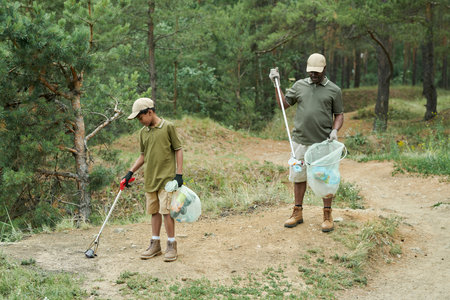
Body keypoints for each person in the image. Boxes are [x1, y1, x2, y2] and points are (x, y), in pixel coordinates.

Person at [269, 53, 344, 232]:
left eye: (317, 72)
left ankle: (327, 215)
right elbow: (283, 105)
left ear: (324, 69)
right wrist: (276, 84)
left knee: (325, 178)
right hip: (300, 142)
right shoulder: (299, 86)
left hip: (322, 143)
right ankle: (297, 212)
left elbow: (339, 114)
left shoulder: (334, 90)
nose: (313, 75)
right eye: (311, 72)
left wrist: (335, 130)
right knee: (298, 177)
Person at [122, 97, 183, 261]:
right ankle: (155, 244)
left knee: (167, 212)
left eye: (140, 118)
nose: (140, 122)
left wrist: (179, 174)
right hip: (150, 179)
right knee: (154, 212)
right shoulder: (143, 133)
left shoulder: (168, 127)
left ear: (150, 112)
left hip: (167, 180)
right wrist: (130, 172)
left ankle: (171, 245)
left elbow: (178, 149)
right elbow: (143, 156)